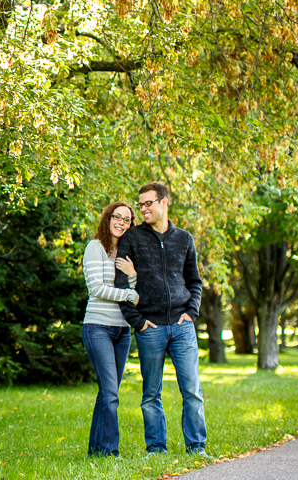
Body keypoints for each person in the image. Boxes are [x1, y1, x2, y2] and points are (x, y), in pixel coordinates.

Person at [114, 182, 208, 457]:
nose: (142, 209)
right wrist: (138, 321)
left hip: (182, 326)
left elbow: (195, 281)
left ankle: (197, 446)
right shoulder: (133, 238)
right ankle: (156, 447)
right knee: (151, 393)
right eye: (140, 204)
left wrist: (191, 313)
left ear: (164, 202)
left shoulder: (184, 239)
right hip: (150, 327)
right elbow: (122, 285)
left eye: (148, 203)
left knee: (191, 389)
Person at [81, 201, 139, 457]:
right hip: (98, 328)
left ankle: (97, 451)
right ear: (108, 219)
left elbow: (137, 290)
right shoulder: (95, 248)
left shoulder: (127, 254)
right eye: (117, 217)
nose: (121, 223)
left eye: (127, 220)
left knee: (107, 393)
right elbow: (96, 289)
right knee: (110, 393)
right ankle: (109, 452)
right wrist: (128, 294)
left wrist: (133, 275)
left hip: (122, 331)